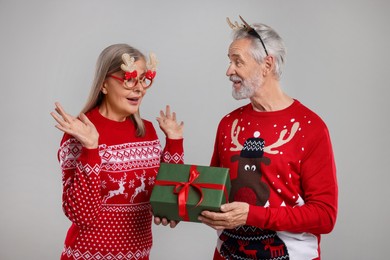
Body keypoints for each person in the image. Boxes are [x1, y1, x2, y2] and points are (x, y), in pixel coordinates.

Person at [198, 16, 338, 260]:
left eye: (237, 61)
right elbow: (213, 195)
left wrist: (252, 215)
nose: (229, 71)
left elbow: (325, 216)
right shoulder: (228, 124)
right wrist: (175, 208)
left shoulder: (311, 128)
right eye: (229, 61)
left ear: (267, 64)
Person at [50, 43, 184, 260]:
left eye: (143, 79)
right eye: (129, 79)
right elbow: (82, 215)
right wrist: (91, 149)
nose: (139, 88)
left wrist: (175, 142)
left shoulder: (147, 131)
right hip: (88, 255)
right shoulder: (81, 132)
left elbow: (166, 193)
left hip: (138, 254)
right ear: (104, 85)